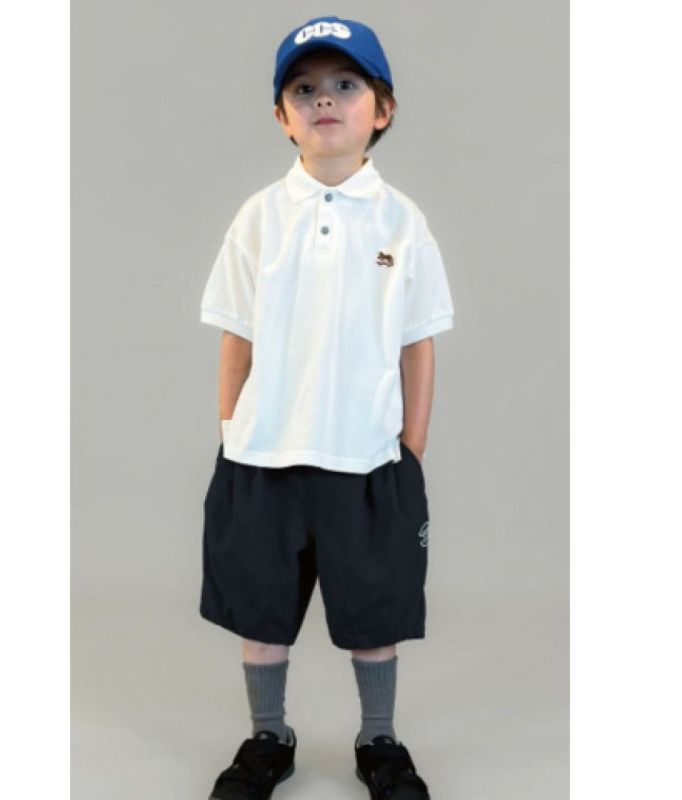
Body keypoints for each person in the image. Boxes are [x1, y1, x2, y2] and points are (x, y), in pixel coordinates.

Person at [198, 15, 454, 800]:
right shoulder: (259, 217)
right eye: (304, 89)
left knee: (375, 616)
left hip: (365, 458)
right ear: (282, 118)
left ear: (384, 108)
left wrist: (409, 449)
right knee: (262, 615)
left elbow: (417, 342)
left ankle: (379, 741)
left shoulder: (402, 221)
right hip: (264, 455)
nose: (325, 101)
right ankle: (267, 738)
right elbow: (236, 335)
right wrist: (232, 430)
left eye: (346, 84)